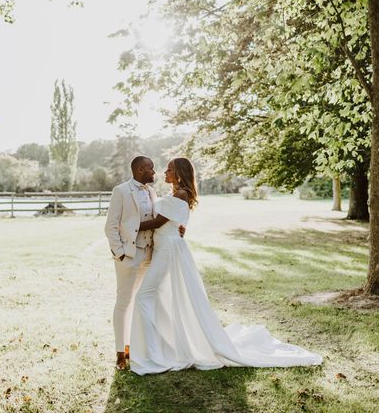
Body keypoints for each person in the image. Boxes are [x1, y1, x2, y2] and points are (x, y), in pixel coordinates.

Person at [129, 157, 323, 375]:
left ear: (180, 174)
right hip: (165, 247)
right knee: (158, 297)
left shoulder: (181, 194)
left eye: (170, 169)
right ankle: (163, 345)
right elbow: (176, 223)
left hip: (168, 251)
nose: (165, 172)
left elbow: (158, 222)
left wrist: (126, 225)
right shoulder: (177, 194)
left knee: (144, 296)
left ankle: (152, 353)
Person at [104, 156, 184, 370]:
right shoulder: (120, 191)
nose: (155, 171)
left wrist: (178, 227)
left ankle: (134, 346)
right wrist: (120, 253)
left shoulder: (152, 192)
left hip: (150, 257)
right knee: (123, 303)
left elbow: (160, 220)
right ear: (140, 169)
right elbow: (110, 226)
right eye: (151, 168)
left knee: (141, 302)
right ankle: (120, 352)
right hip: (129, 256)